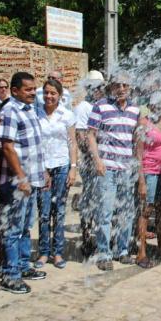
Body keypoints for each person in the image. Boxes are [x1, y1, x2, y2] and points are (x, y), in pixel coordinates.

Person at [0, 72, 47, 294]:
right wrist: (21, 177)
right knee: (13, 229)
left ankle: (23, 266)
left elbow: (34, 146)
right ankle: (10, 275)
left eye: (33, 89)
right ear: (15, 91)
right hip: (17, 183)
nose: (33, 93)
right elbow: (7, 146)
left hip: (32, 180)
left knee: (26, 227)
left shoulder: (30, 110)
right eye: (28, 89)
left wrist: (42, 172)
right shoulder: (10, 111)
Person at [88, 72, 140, 271]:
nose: (121, 89)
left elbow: (136, 139)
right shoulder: (100, 106)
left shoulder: (135, 110)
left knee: (126, 212)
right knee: (105, 211)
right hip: (106, 168)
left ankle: (123, 251)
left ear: (130, 88)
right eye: (117, 85)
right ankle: (103, 253)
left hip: (126, 169)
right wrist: (97, 161)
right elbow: (90, 135)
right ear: (111, 87)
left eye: (125, 85)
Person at [33, 79, 77, 270]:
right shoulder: (36, 113)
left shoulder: (67, 115)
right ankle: (43, 252)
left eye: (53, 93)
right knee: (43, 213)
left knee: (59, 211)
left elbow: (72, 142)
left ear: (60, 95)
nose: (49, 96)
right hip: (42, 168)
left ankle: (58, 252)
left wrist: (73, 168)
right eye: (46, 92)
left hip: (61, 166)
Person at [135, 90, 161, 268]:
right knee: (145, 211)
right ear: (149, 105)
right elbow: (138, 154)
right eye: (155, 103)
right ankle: (141, 251)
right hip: (148, 172)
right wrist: (141, 180)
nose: (158, 106)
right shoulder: (143, 123)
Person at [73, 70, 105, 258]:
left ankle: (98, 237)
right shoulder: (83, 108)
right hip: (89, 162)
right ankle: (87, 238)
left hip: (103, 160)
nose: (97, 90)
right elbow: (81, 137)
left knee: (102, 201)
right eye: (94, 87)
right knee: (90, 200)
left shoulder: (102, 105)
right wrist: (96, 150)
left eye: (100, 87)